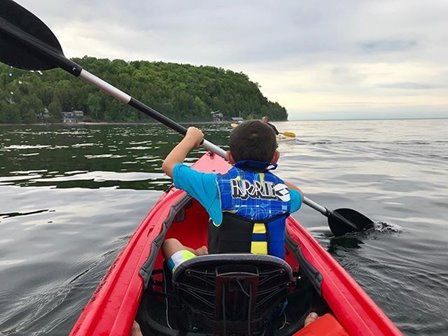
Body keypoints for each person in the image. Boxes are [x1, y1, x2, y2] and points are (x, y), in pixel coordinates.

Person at [132, 121, 317, 335]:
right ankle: (203, 253)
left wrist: (191, 138)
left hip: (209, 304)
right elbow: (299, 195)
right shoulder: (286, 195)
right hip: (269, 309)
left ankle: (200, 254)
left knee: (171, 243)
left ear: (229, 157)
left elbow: (169, 165)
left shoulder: (215, 186)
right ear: (275, 158)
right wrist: (270, 181)